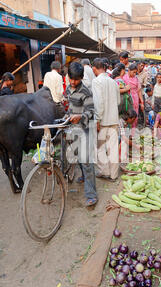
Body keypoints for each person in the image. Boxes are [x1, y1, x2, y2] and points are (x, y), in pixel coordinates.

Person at [65, 62, 98, 207]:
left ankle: (91, 195)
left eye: (76, 80)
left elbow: (91, 112)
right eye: (71, 79)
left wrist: (80, 116)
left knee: (87, 161)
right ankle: (84, 176)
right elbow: (69, 105)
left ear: (81, 78)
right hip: (73, 129)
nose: (73, 82)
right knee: (78, 155)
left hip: (85, 128)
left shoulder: (86, 91)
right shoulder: (68, 88)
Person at [91, 58, 120, 181]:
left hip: (102, 121)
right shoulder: (113, 82)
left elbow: (98, 103)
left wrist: (97, 119)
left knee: (100, 148)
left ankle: (105, 171)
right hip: (113, 119)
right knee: (113, 148)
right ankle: (113, 175)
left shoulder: (96, 81)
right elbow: (118, 101)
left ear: (94, 68)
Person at [122, 63, 143, 129]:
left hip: (135, 99)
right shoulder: (124, 78)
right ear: (129, 70)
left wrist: (142, 102)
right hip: (127, 99)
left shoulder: (136, 79)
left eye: (135, 72)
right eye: (133, 72)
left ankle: (133, 132)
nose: (134, 74)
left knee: (134, 115)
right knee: (128, 115)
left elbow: (139, 91)